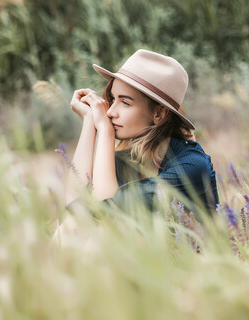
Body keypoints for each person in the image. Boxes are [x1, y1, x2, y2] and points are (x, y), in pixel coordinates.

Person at [65, 49, 218, 215]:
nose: (110, 112)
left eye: (125, 102)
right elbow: (74, 210)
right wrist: (89, 121)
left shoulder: (191, 165)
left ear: (159, 113)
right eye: (113, 99)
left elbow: (105, 216)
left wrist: (104, 130)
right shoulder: (125, 161)